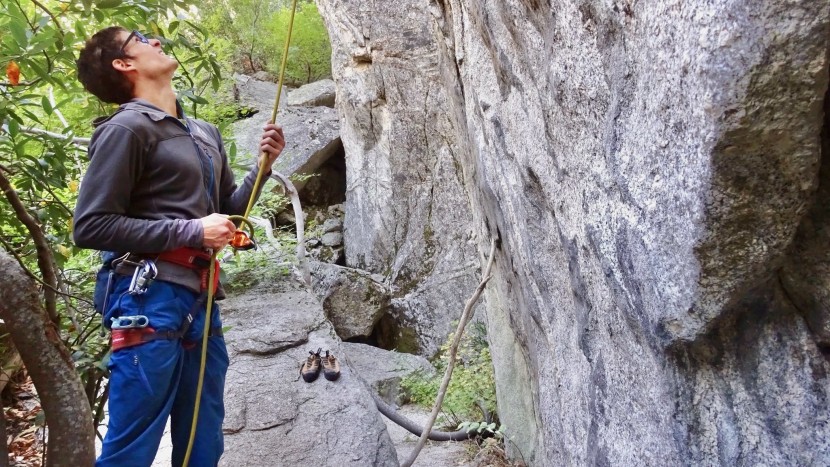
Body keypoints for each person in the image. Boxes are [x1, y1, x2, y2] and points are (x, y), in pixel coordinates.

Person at [73, 26, 285, 466]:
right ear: (123, 64)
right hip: (147, 298)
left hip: (200, 298)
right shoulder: (127, 128)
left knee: (203, 441)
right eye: (139, 38)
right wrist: (190, 232)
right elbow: (91, 225)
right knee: (132, 449)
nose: (155, 41)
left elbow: (227, 213)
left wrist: (262, 169)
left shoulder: (203, 132)